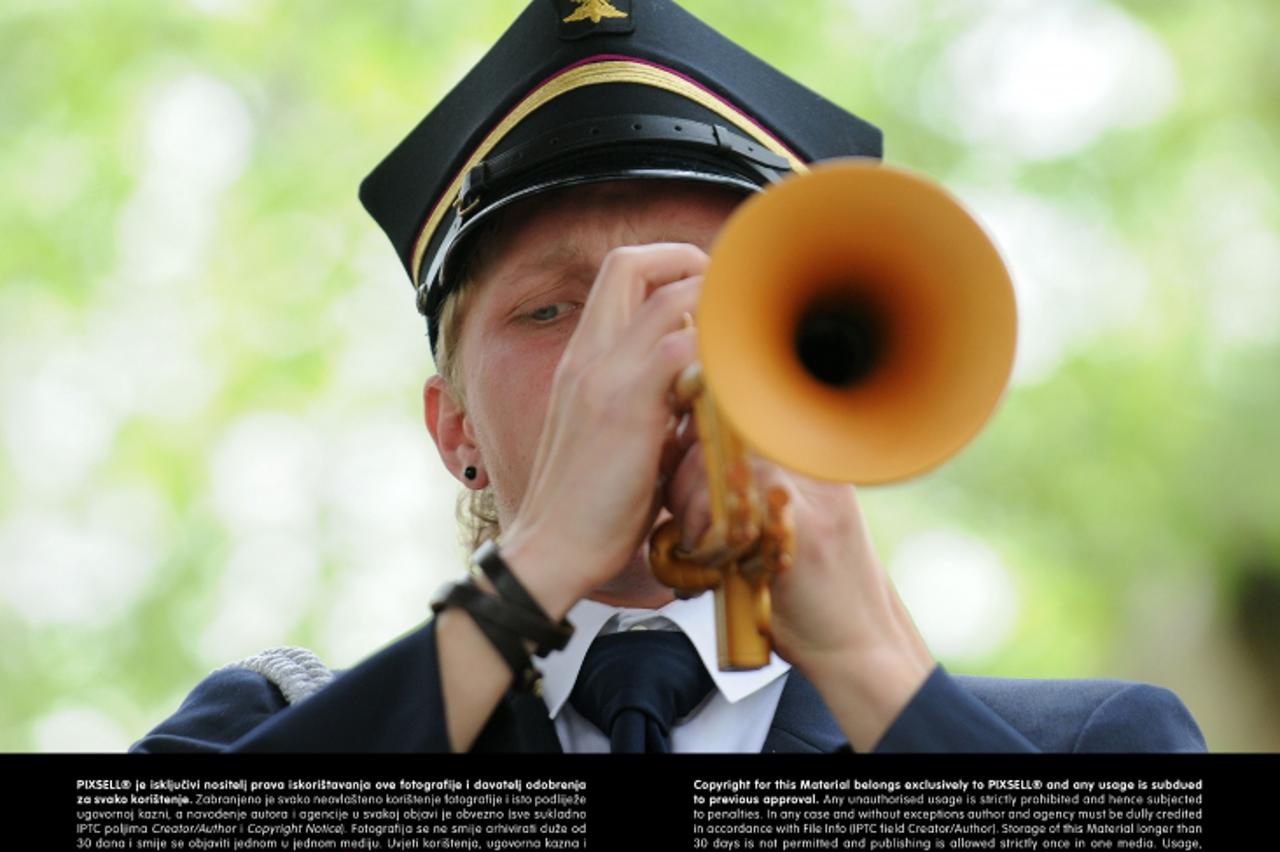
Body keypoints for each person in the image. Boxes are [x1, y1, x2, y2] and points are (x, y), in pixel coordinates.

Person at [131, 0, 1205, 754]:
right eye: (553, 309)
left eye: (711, 297)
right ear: (451, 428)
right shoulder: (264, 730)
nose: (640, 353)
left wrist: (869, 662)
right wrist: (534, 570)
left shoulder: (1092, 746)